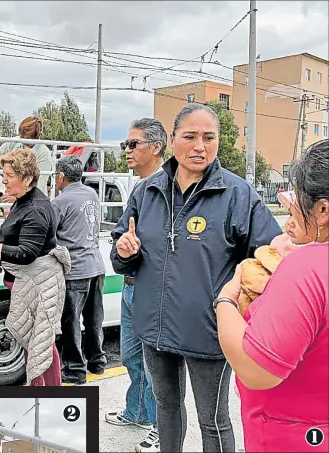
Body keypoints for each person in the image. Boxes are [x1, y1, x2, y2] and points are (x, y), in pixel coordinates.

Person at [110, 103, 281, 453]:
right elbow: (121, 253)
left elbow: (269, 257)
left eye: (209, 137)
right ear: (172, 141)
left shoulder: (237, 195)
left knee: (213, 420)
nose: (199, 146)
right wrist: (125, 252)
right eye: (189, 137)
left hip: (209, 332)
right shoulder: (147, 191)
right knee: (168, 409)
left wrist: (232, 302)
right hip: (153, 328)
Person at [216, 138, 329, 452]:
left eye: (298, 206)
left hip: (297, 435)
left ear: (322, 210)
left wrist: (225, 301)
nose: (290, 220)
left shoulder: (308, 268)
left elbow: (256, 369)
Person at [0, 149, 70, 386]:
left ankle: (47, 390)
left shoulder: (36, 208)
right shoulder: (24, 201)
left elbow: (27, 253)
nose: (3, 179)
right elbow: (21, 234)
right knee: (36, 341)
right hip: (28, 284)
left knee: (41, 343)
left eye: (9, 175)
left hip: (37, 284)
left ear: (26, 178)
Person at [105, 118, 165, 452]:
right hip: (130, 284)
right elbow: (120, 234)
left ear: (155, 147)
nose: (127, 151)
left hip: (150, 288)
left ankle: (162, 426)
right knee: (131, 356)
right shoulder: (140, 186)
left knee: (157, 364)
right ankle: (138, 411)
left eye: (133, 144)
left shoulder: (168, 187)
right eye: (125, 145)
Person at [52, 155, 107, 385]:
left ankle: (75, 370)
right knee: (94, 318)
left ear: (61, 176)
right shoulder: (91, 194)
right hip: (96, 264)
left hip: (75, 270)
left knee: (71, 321)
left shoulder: (59, 202)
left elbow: (49, 233)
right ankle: (97, 361)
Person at [0, 116, 52, 196]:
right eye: (21, 136)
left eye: (26, 138)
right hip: (12, 194)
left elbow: (39, 185)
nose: (22, 139)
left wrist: (18, 198)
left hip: (31, 199)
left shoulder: (44, 153)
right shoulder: (16, 142)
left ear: (36, 137)